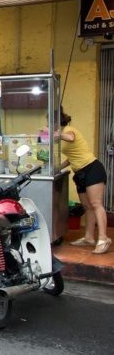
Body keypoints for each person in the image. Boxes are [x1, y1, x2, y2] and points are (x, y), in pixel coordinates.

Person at [60, 108, 111, 254]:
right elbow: (72, 157)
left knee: (96, 204)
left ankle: (103, 238)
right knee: (87, 206)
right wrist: (57, 167)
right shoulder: (61, 134)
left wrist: (56, 134)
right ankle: (89, 238)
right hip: (80, 173)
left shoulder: (69, 129)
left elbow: (70, 138)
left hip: (92, 169)